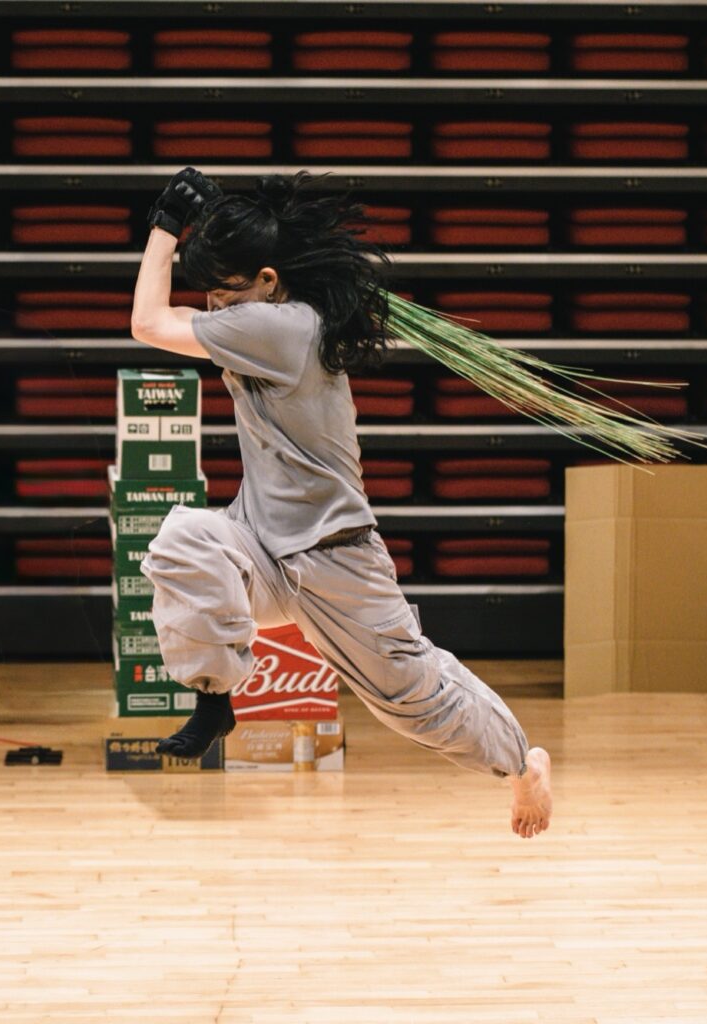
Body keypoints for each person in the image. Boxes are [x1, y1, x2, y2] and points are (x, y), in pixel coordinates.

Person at [128, 168, 552, 839]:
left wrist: (165, 225)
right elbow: (168, 318)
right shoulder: (262, 318)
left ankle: (522, 763)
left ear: (269, 281)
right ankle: (215, 700)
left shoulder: (283, 328)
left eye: (225, 292)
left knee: (409, 703)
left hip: (334, 561)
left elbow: (148, 321)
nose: (214, 308)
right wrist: (211, 224)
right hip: (262, 545)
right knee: (183, 544)